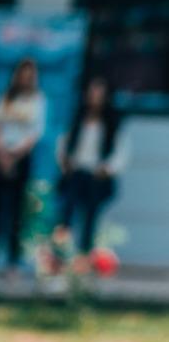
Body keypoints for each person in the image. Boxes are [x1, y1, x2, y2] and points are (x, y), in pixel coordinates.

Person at [0, 56, 46, 271]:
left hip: (20, 159)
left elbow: (35, 133)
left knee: (16, 213)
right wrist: (0, 154)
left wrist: (14, 156)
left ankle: (12, 262)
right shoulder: (5, 98)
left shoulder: (38, 101)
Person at [56, 76, 126, 254]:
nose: (95, 97)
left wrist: (107, 169)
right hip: (76, 172)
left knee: (90, 217)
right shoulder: (77, 119)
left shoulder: (111, 124)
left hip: (96, 175)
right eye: (92, 92)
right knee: (66, 214)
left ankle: (85, 254)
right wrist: (65, 162)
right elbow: (63, 143)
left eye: (99, 93)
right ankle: (61, 254)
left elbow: (121, 152)